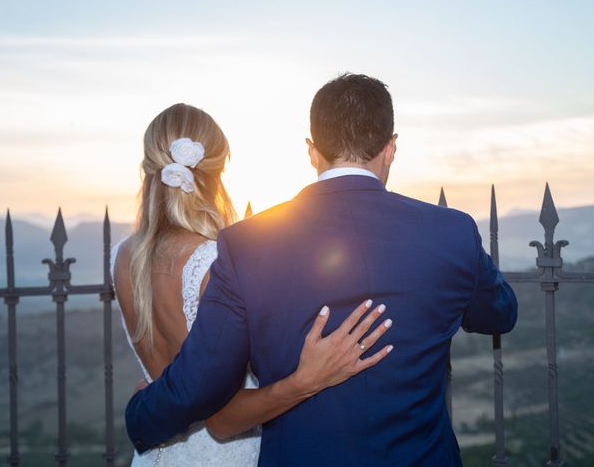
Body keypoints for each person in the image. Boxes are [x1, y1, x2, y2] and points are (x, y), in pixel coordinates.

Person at [125, 75, 518, 466]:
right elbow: (499, 314)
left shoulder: (246, 245)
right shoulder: (451, 232)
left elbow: (200, 383)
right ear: (391, 148)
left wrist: (139, 414)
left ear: (312, 151)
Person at [110, 103, 393, 466]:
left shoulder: (121, 256)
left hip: (152, 454)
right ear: (216, 171)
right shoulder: (217, 262)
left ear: (147, 168)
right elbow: (222, 415)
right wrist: (306, 378)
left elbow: (172, 382)